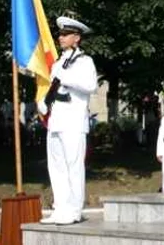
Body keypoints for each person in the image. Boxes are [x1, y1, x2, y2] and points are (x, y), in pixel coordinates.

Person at [38, 15, 98, 225]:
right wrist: (45, 103)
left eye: (65, 34)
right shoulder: (58, 62)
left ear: (77, 37)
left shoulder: (85, 61)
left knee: (74, 166)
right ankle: (60, 207)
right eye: (60, 34)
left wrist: (67, 78)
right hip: (57, 121)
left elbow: (91, 86)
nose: (60, 38)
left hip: (73, 122)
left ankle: (74, 209)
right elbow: (55, 88)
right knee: (57, 167)